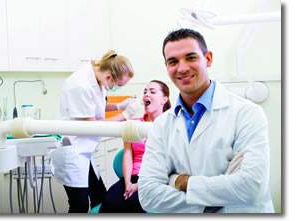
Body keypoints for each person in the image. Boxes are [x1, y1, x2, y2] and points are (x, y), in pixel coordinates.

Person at [138, 28, 274, 213]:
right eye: (173, 61)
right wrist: (217, 197)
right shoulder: (161, 125)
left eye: (191, 57)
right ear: (167, 67)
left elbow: (251, 186)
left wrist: (178, 181)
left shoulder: (248, 114)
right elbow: (148, 195)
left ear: (208, 59)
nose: (182, 68)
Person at [51, 50, 137, 213]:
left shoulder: (98, 77)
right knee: (79, 206)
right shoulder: (80, 84)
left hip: (84, 150)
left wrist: (119, 106)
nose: (116, 89)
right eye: (118, 86)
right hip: (73, 149)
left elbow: (95, 105)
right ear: (109, 77)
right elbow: (93, 125)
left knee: (99, 197)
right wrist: (124, 115)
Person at [99, 80, 171, 213]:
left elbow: (171, 164)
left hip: (156, 179)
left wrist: (139, 185)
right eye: (145, 91)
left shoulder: (171, 126)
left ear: (164, 99)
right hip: (132, 177)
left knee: (133, 204)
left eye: (152, 91)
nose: (146, 94)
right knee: (110, 201)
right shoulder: (134, 125)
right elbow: (128, 154)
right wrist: (128, 183)